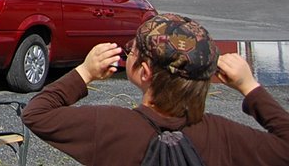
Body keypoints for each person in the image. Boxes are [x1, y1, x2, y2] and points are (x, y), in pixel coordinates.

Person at [22, 12, 289, 165]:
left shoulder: (108, 126)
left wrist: (85, 72)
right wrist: (249, 86)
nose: (128, 52)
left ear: (145, 72)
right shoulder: (224, 136)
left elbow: (37, 114)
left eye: (132, 50)